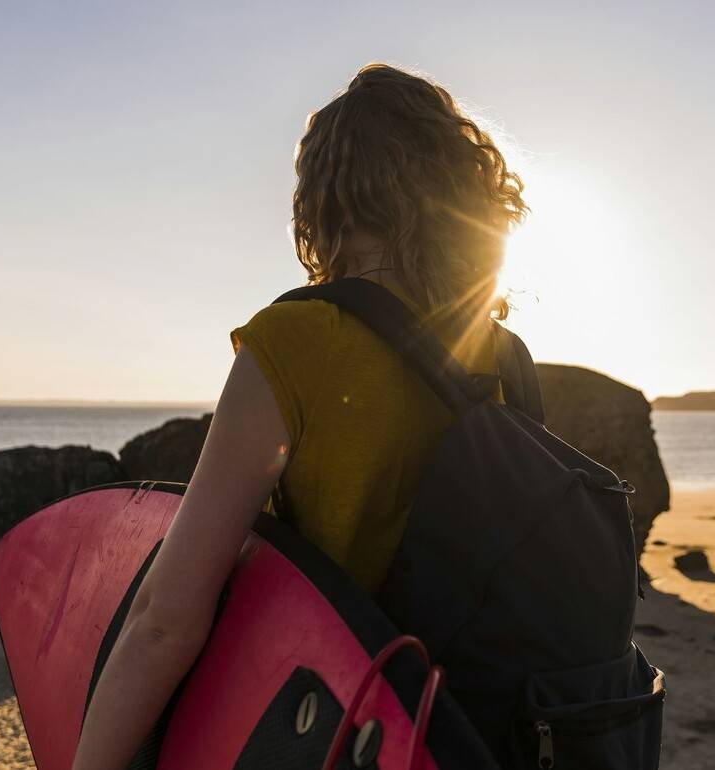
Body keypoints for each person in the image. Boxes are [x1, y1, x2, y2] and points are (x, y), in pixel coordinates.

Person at [72, 63, 527, 770]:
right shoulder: (499, 357)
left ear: (323, 197)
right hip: (460, 735)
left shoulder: (299, 338)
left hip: (330, 729)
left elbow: (167, 618)